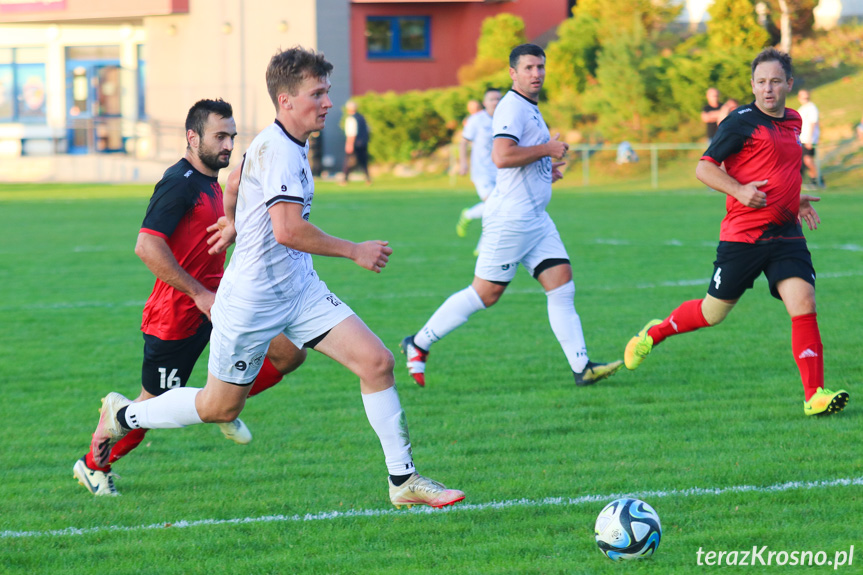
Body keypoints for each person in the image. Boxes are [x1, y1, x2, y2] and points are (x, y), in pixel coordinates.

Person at [88, 47, 464, 509]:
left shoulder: (280, 143)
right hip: (251, 301)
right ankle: (124, 413)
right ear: (286, 100)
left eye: (327, 92)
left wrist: (232, 220)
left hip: (300, 289)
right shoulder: (280, 150)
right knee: (218, 407)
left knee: (377, 362)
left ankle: (403, 480)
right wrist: (354, 250)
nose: (328, 102)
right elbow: (287, 230)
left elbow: (234, 183)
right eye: (318, 93)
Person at [73, 99, 306, 496]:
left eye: (232, 136)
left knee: (289, 353)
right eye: (219, 136)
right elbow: (146, 246)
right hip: (177, 315)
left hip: (223, 303)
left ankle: (222, 407)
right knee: (147, 411)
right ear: (192, 137)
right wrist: (198, 293)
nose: (228, 144)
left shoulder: (211, 182)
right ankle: (93, 464)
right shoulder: (178, 183)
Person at [623, 48, 849, 418]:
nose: (768, 89)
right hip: (743, 236)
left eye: (776, 81)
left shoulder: (793, 121)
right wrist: (740, 191)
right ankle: (655, 333)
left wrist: (796, 199)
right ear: (752, 85)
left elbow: (782, 169)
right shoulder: (740, 121)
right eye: (761, 82)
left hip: (786, 233)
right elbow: (704, 168)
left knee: (804, 303)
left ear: (789, 83)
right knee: (713, 313)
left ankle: (814, 396)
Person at [400, 44, 623, 388]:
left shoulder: (530, 108)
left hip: (535, 218)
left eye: (541, 67)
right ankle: (419, 342)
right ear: (513, 73)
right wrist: (547, 149)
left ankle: (582, 368)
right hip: (511, 219)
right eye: (530, 68)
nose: (537, 74)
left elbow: (518, 160)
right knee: (485, 294)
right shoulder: (511, 107)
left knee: (561, 280)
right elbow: (502, 156)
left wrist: (545, 170)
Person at [456, 87, 502, 249]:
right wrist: (463, 163)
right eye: (492, 99)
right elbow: (463, 142)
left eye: (498, 99)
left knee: (498, 208)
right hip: (481, 171)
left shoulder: (505, 119)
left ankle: (482, 246)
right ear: (484, 103)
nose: (495, 102)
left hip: (501, 171)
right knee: (493, 205)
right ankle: (468, 216)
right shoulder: (476, 120)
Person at [341, 100, 371, 185]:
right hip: (363, 142)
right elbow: (368, 129)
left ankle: (344, 179)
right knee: (363, 161)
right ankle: (368, 179)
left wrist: (349, 144)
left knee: (348, 161)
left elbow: (352, 133)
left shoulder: (351, 118)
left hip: (355, 143)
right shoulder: (362, 117)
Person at [797, 89, 822, 189]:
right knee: (801, 161)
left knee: (808, 160)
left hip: (808, 139)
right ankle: (806, 181)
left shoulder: (811, 108)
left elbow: (813, 123)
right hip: (801, 139)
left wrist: (810, 139)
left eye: (806, 96)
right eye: (802, 97)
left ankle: (817, 180)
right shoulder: (801, 109)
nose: (805, 99)